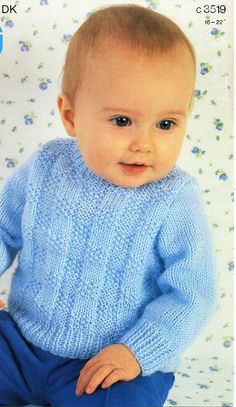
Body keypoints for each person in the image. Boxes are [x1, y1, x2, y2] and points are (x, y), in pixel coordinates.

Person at [0, 4, 217, 407]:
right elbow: (3, 230)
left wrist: (138, 351)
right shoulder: (47, 166)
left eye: (166, 124)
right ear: (70, 115)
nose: (144, 143)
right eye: (122, 121)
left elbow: (193, 293)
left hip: (110, 361)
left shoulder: (173, 199)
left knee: (125, 400)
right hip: (21, 342)